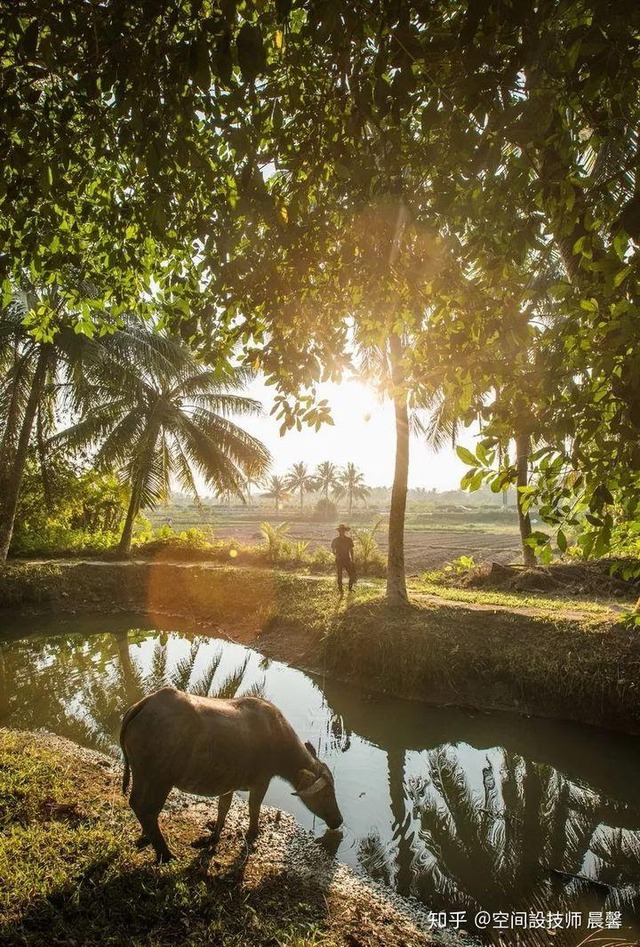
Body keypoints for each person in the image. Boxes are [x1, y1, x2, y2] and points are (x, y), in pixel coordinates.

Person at [331, 524, 356, 594]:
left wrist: (352, 559)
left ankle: (350, 588)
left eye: (342, 530)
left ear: (344, 531)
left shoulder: (349, 540)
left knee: (352, 575)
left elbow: (351, 550)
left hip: (347, 560)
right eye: (340, 530)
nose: (341, 532)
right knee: (339, 575)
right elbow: (333, 551)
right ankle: (340, 590)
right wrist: (337, 555)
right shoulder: (335, 540)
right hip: (339, 560)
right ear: (338, 531)